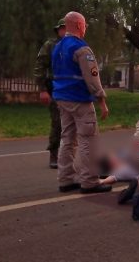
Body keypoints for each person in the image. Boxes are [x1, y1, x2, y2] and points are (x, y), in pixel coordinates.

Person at [52, 11, 111, 194]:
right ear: (79, 25)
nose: (85, 28)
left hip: (62, 98)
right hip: (79, 100)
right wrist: (101, 100)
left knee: (67, 139)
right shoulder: (81, 48)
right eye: (84, 25)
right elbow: (92, 79)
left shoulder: (58, 47)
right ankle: (89, 181)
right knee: (88, 140)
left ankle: (66, 179)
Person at [33, 18, 66, 169]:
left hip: (72, 90)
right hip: (55, 88)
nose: (64, 31)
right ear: (58, 30)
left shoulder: (75, 45)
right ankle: (54, 153)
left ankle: (68, 155)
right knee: (57, 122)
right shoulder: (50, 45)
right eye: (62, 28)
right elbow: (39, 66)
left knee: (74, 125)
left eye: (67, 28)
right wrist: (43, 90)